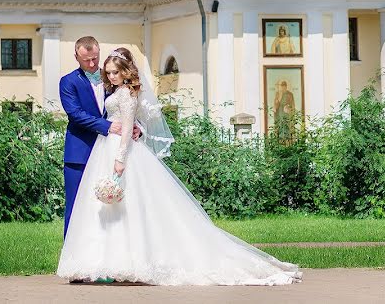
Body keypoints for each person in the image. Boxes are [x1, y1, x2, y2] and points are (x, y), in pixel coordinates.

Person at [57, 47, 301, 286]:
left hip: (119, 150)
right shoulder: (94, 85)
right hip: (103, 147)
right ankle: (106, 262)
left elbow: (131, 118)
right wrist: (119, 131)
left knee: (132, 208)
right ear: (78, 56)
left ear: (123, 71)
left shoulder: (125, 93)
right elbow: (82, 114)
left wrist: (123, 153)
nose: (108, 75)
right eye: (107, 72)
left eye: (112, 70)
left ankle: (129, 261)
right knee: (105, 210)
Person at [59, 36, 140, 237]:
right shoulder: (68, 82)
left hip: (109, 151)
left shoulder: (113, 76)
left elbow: (126, 108)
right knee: (77, 205)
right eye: (87, 60)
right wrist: (108, 126)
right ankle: (71, 256)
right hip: (80, 152)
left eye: (95, 58)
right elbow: (76, 114)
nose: (93, 64)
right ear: (76, 56)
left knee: (107, 206)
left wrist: (136, 128)